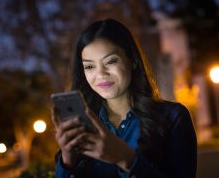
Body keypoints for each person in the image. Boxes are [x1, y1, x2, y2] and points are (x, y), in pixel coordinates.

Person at [51, 18, 197, 178]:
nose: (100, 74)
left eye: (111, 61)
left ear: (132, 60)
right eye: (90, 66)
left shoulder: (173, 117)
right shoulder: (83, 126)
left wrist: (127, 159)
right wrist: (67, 160)